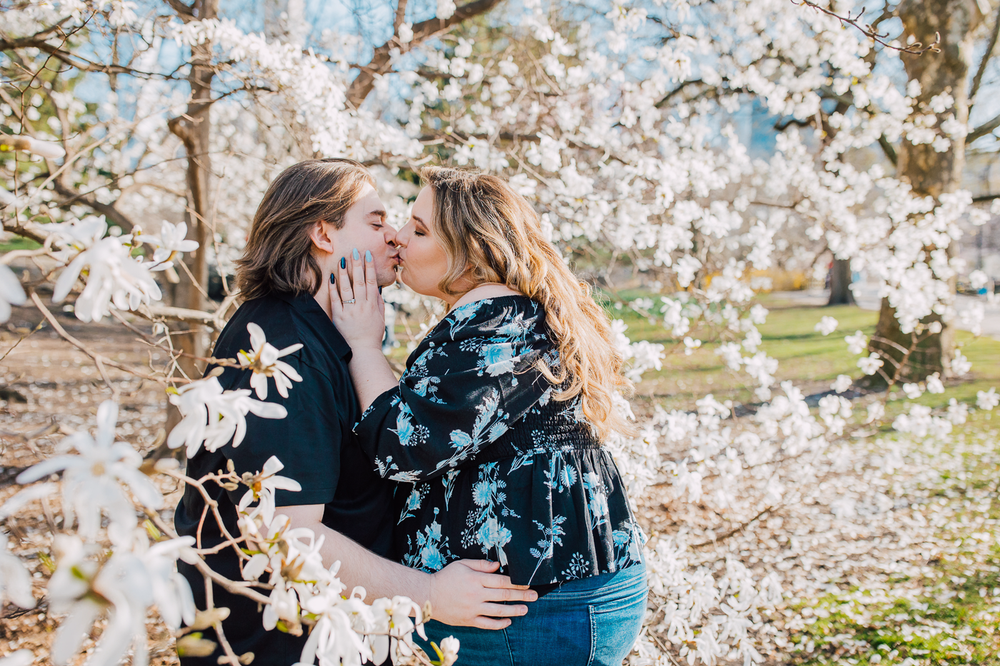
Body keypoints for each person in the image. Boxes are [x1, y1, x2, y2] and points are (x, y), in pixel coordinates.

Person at [174, 159, 536, 666]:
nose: (395, 238)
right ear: (323, 233)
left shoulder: (323, 335)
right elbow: (284, 532)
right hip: (276, 647)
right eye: (376, 221)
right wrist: (430, 594)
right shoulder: (281, 351)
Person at [330, 166, 648, 666]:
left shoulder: (494, 322)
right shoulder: (504, 318)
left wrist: (363, 344)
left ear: (472, 250)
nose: (398, 238)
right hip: (547, 600)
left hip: (535, 612)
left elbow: (403, 448)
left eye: (419, 229)